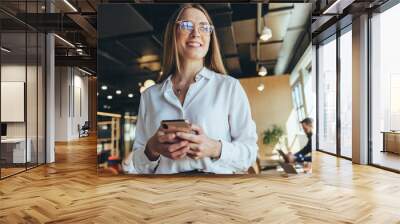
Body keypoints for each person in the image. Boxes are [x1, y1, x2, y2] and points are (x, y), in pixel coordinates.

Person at [131, 4, 258, 174]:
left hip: (215, 194)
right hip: (165, 195)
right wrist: (152, 148)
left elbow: (249, 154)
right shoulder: (150, 96)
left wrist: (215, 148)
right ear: (173, 34)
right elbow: (138, 164)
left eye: (204, 27)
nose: (196, 33)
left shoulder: (229, 87)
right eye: (187, 25)